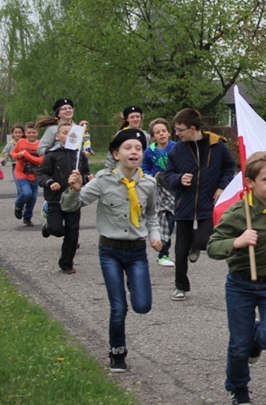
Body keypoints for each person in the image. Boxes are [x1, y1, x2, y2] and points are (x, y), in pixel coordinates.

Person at [61, 129, 162, 373]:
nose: (134, 152)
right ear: (117, 154)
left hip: (137, 252)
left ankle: (134, 289)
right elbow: (71, 205)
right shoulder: (103, 180)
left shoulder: (148, 184)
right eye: (128, 148)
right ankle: (117, 352)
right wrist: (74, 189)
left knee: (142, 305)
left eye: (138, 148)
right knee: (119, 307)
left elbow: (152, 215)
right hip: (110, 252)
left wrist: (156, 236)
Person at [207, 151, 266, 405]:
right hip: (241, 284)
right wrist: (237, 241)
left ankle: (255, 341)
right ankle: (239, 389)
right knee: (238, 345)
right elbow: (213, 247)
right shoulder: (238, 213)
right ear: (249, 183)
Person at [164, 108, 235, 302]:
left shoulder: (216, 146)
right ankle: (180, 286)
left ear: (193, 128)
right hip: (184, 204)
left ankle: (196, 243)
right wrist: (179, 178)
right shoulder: (177, 150)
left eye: (180, 130)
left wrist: (222, 186)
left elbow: (230, 167)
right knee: (180, 251)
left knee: (206, 241)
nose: (176, 133)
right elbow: (167, 175)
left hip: (208, 203)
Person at [36, 124, 91, 273]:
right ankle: (49, 227)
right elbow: (41, 174)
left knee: (73, 233)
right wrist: (50, 182)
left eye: (71, 133)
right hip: (55, 199)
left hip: (73, 199)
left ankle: (66, 264)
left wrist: (87, 178)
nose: (68, 136)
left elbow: (84, 174)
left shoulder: (79, 155)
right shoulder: (52, 155)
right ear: (58, 136)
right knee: (57, 229)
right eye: (65, 133)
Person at [143, 118, 177, 267]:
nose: (161, 134)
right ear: (153, 136)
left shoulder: (176, 148)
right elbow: (145, 168)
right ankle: (163, 253)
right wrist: (151, 177)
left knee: (173, 220)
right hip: (158, 188)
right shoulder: (149, 152)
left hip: (174, 188)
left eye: (163, 131)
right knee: (164, 219)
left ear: (169, 133)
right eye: (157, 132)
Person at [12, 122, 43, 226]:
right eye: (29, 132)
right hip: (21, 173)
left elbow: (41, 161)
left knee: (33, 198)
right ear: (25, 132)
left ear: (37, 133)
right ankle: (18, 206)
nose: (31, 135)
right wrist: (18, 155)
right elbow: (13, 153)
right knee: (26, 193)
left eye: (33, 132)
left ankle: (27, 217)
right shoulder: (21, 142)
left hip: (34, 174)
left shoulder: (41, 144)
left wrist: (26, 154)